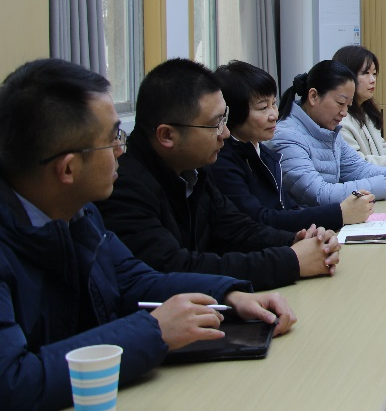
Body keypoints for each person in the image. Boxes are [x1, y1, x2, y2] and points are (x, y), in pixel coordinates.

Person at [0, 59, 295, 411]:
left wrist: (226, 296)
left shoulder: (78, 211)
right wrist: (154, 331)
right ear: (68, 168)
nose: (121, 150)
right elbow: (14, 382)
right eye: (113, 139)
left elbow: (132, 278)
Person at [97, 59, 341, 292]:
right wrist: (291, 260)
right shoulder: (124, 189)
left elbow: (237, 229)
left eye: (224, 119)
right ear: (167, 135)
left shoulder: (194, 171)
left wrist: (297, 240)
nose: (224, 133)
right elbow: (175, 268)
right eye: (215, 124)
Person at [212, 60, 374, 232]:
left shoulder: (264, 154)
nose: (274, 115)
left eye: (274, 104)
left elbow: (287, 208)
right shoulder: (223, 161)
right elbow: (259, 221)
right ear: (232, 112)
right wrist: (339, 214)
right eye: (263, 107)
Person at [271, 60, 386, 205]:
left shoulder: (328, 130)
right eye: (340, 103)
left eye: (348, 105)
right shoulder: (287, 136)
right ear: (313, 96)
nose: (344, 113)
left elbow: (358, 169)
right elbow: (319, 193)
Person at [332, 45, 386, 169]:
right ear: (346, 76)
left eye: (374, 74)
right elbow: (355, 163)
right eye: (365, 73)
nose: (373, 80)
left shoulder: (365, 112)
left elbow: (381, 147)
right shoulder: (339, 119)